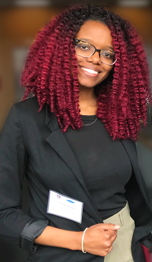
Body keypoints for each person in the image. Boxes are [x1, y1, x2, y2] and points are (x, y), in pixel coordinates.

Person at [0, 4, 152, 262]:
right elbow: (5, 215)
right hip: (63, 254)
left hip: (127, 250)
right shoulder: (25, 118)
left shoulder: (119, 115)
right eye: (84, 46)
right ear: (62, 47)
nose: (95, 59)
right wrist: (80, 240)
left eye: (108, 53)